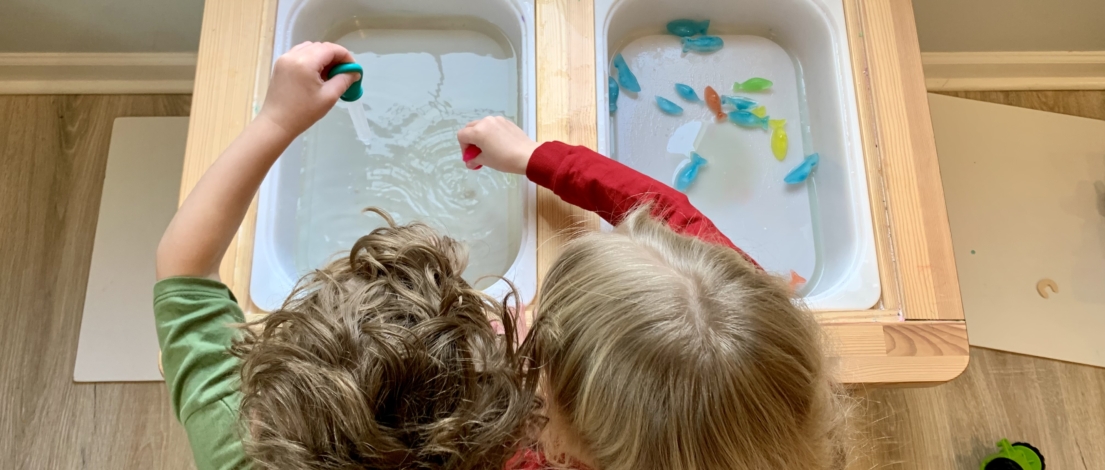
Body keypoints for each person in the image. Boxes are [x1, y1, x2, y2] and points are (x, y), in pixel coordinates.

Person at [154, 42, 537, 470]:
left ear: (263, 418)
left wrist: (277, 118)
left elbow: (183, 270)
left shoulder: (242, 449)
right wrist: (521, 369)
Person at [458, 117, 851, 470]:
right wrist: (536, 157)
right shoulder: (743, 311)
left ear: (568, 438)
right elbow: (665, 212)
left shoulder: (539, 454)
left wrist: (506, 393)